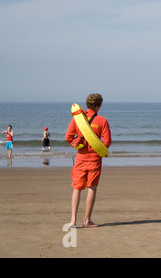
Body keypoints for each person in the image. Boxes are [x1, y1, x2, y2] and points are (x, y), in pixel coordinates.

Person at [65, 94, 112, 228]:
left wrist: (77, 144)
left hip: (80, 158)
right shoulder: (102, 120)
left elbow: (68, 137)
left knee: (77, 188)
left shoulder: (77, 119)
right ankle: (87, 221)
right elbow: (107, 142)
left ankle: (73, 220)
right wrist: (97, 148)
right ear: (98, 105)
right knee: (92, 188)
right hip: (95, 159)